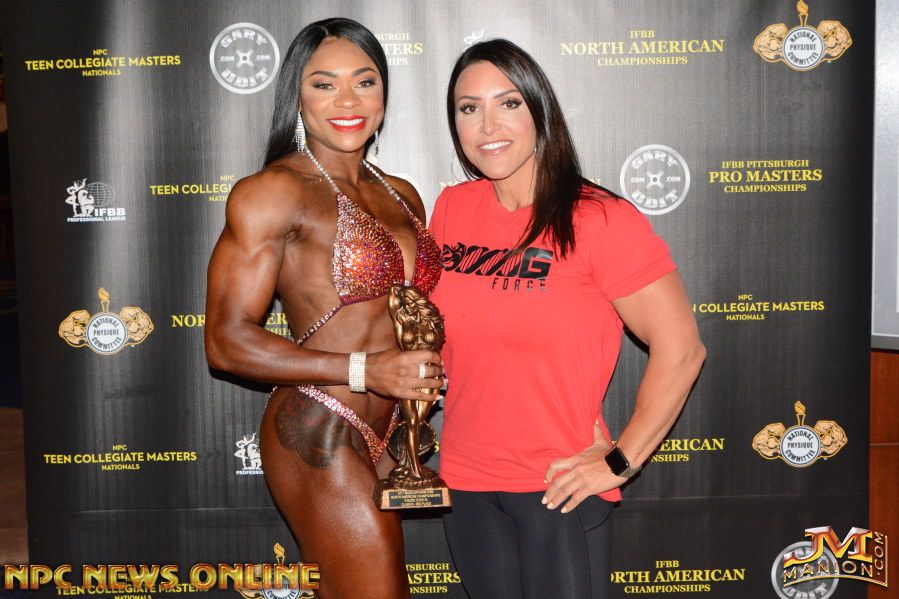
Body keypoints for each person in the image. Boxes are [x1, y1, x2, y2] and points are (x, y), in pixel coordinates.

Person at [430, 39, 706, 599]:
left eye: (508, 103)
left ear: (539, 111)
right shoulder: (451, 209)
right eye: (469, 108)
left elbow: (682, 350)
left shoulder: (600, 218)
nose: (488, 125)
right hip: (464, 483)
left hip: (558, 488)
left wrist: (621, 461)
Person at [204, 18, 443, 599]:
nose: (348, 101)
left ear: (384, 93)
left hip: (393, 432)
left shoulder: (402, 193)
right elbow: (226, 341)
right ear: (297, 95)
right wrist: (367, 370)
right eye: (324, 84)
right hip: (318, 423)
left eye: (365, 81)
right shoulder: (273, 192)